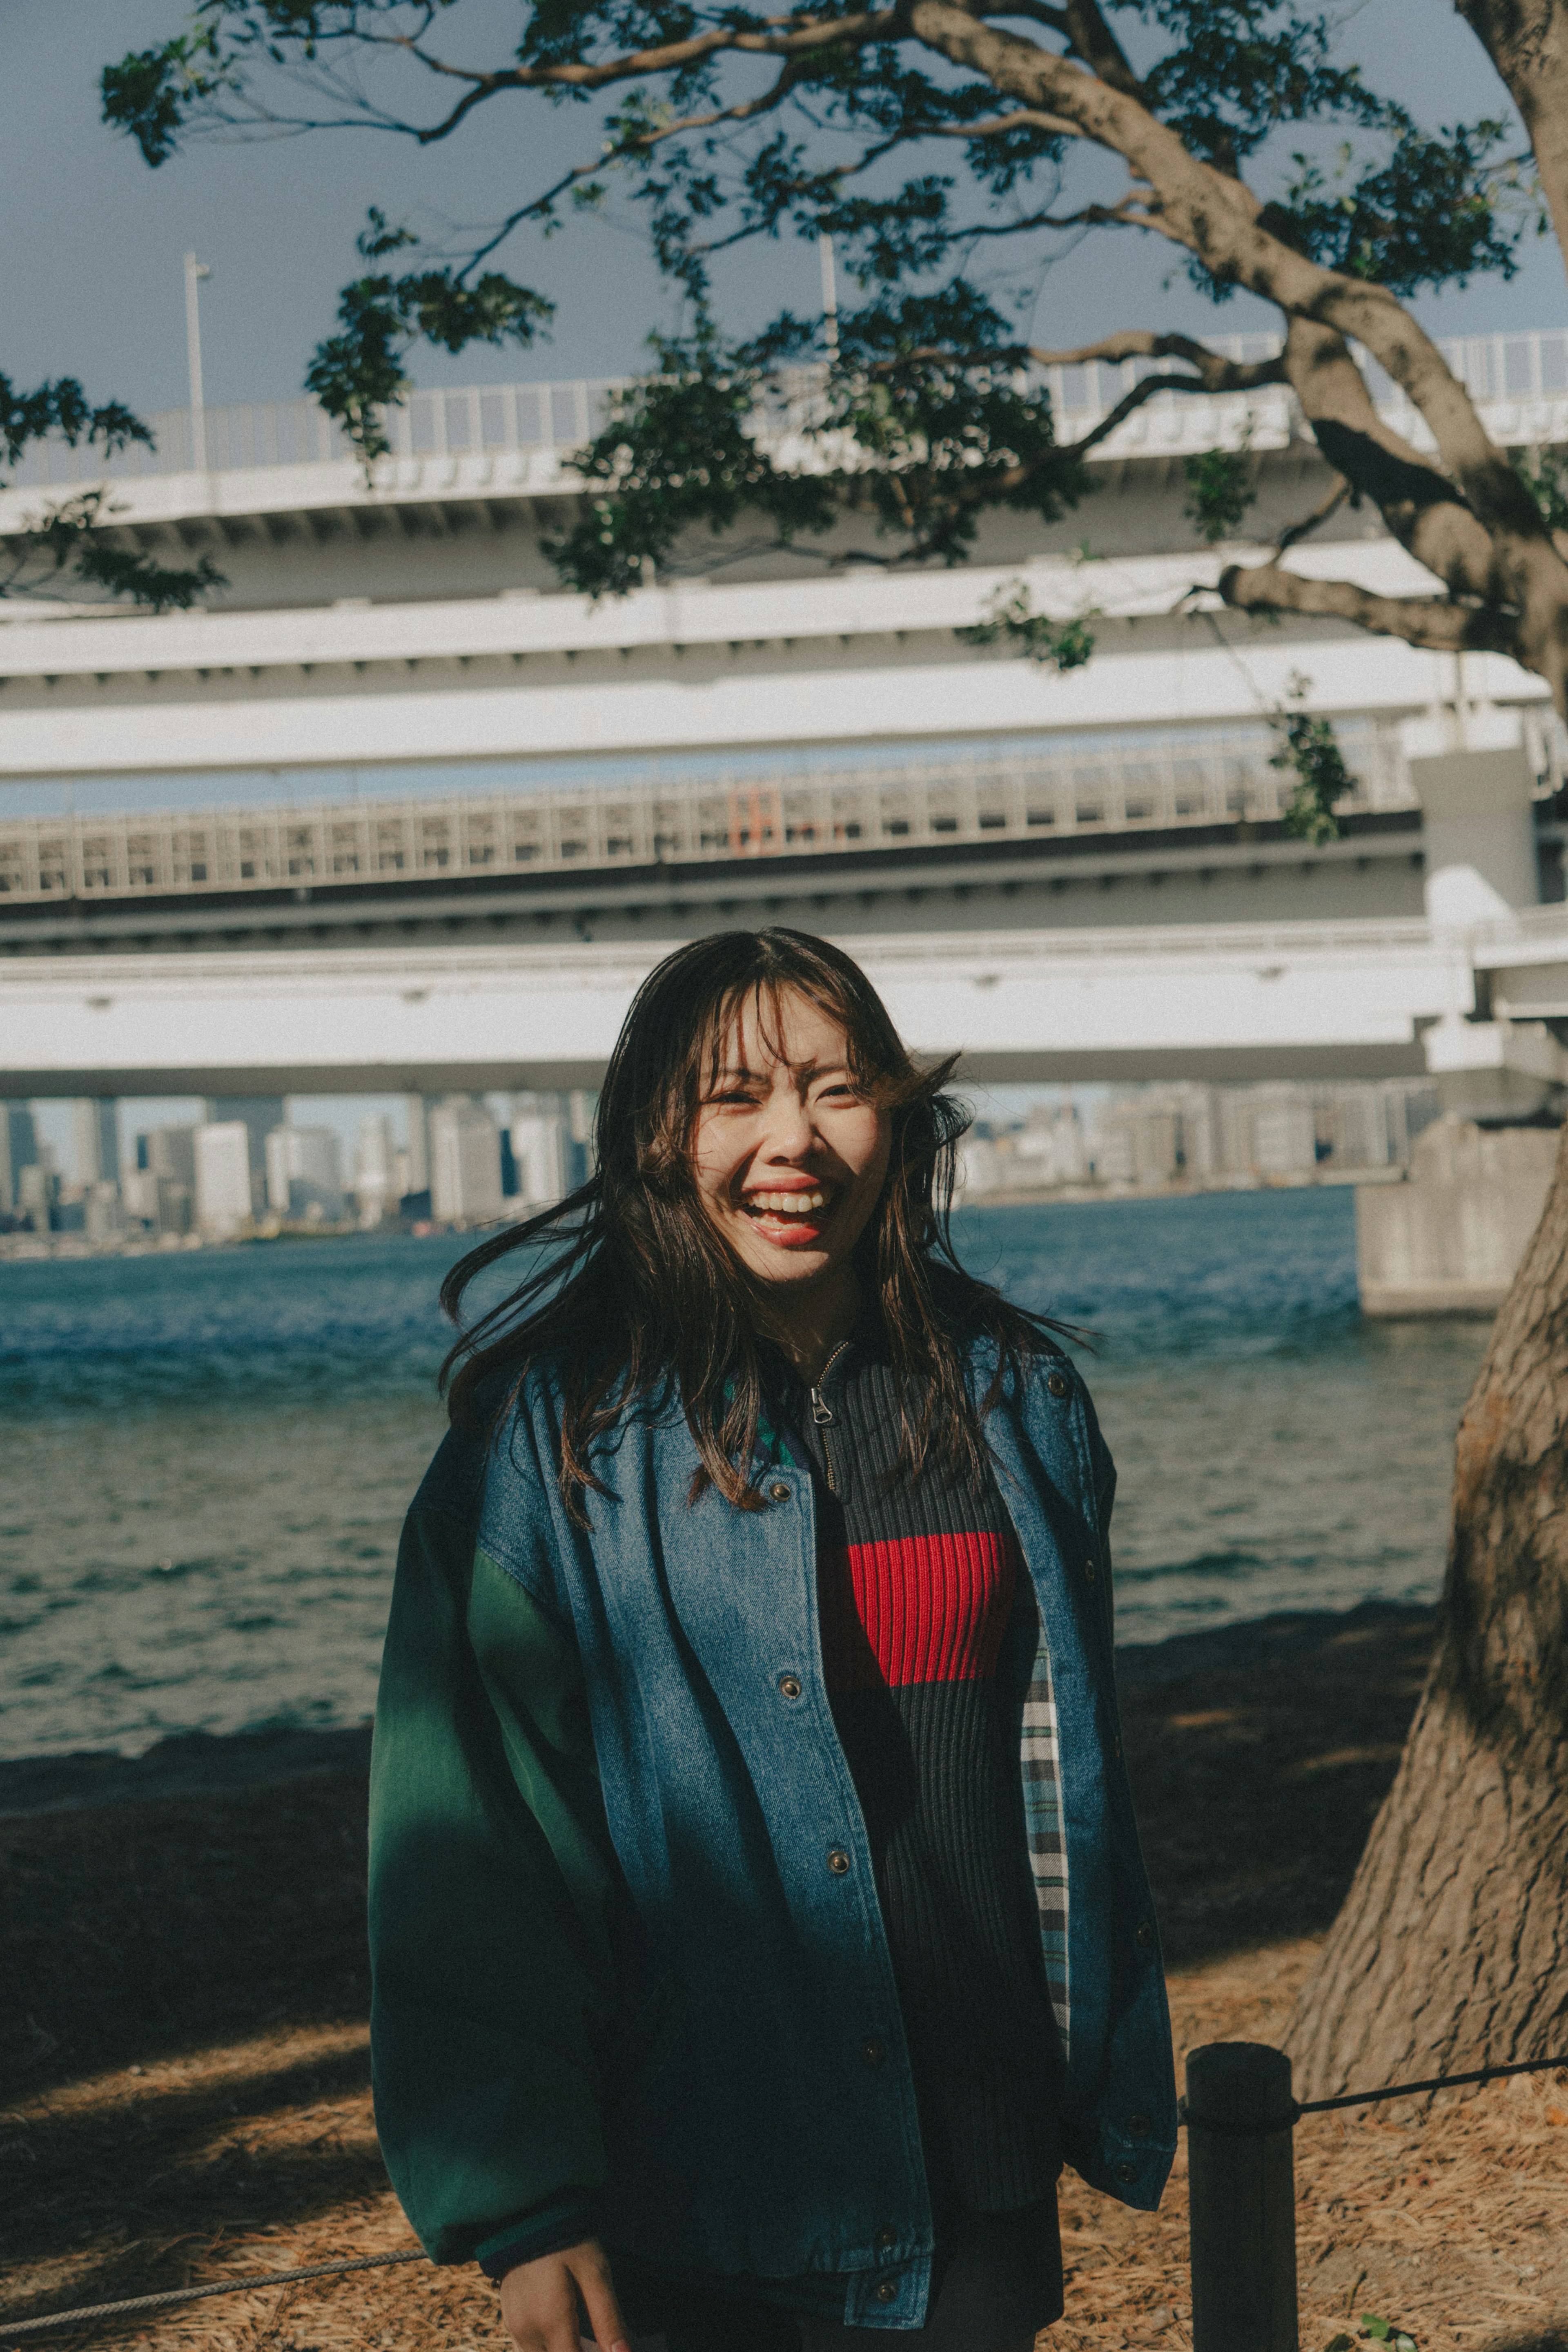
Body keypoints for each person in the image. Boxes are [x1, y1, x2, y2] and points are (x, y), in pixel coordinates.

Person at [369, 927, 1175, 2352]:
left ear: (899, 1118)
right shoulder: (552, 1448)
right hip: (703, 2198)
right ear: (655, 1138)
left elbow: (1066, 1785)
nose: (791, 1141)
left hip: (982, 2175)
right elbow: (471, 1844)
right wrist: (525, 2205)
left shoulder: (1019, 1402)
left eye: (836, 1087)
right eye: (733, 1098)